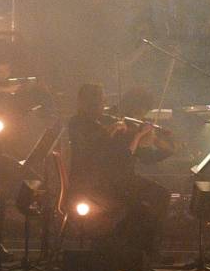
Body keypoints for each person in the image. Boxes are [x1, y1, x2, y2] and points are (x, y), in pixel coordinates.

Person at [65, 83, 168, 260]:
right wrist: (136, 135)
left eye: (103, 102)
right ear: (87, 103)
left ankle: (141, 250)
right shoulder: (78, 124)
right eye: (99, 103)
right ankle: (143, 251)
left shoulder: (99, 124)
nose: (104, 106)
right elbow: (122, 154)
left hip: (114, 179)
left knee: (158, 195)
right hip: (98, 183)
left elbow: (121, 153)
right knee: (154, 198)